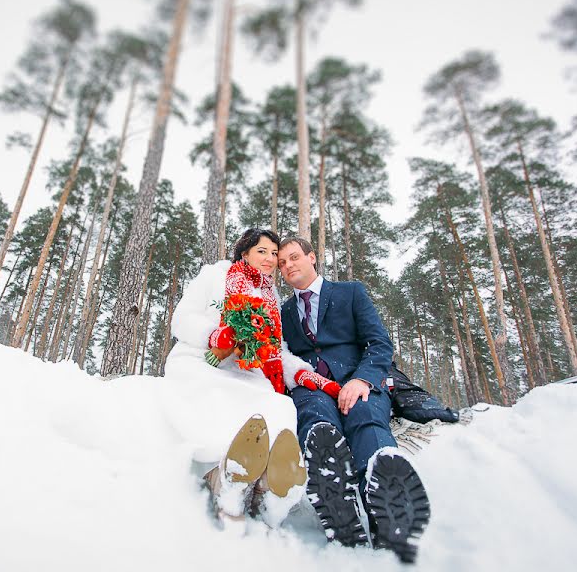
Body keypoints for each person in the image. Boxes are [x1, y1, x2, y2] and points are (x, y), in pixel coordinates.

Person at [163, 228, 339, 528]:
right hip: (203, 362)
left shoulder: (270, 296)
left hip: (249, 372)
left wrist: (302, 374)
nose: (271, 259)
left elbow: (275, 350)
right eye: (263, 251)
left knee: (278, 407)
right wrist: (214, 336)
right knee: (220, 400)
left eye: (274, 254)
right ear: (244, 252)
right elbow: (181, 319)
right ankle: (224, 478)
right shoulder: (214, 276)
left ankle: (269, 489)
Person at [277, 236, 431, 563]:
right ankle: (336, 496)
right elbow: (284, 355)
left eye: (293, 257)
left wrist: (362, 378)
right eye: (282, 263)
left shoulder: (350, 292)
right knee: (315, 418)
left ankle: (384, 501)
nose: (288, 265)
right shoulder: (284, 312)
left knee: (365, 416)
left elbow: (379, 343)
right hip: (313, 385)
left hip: (358, 379)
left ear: (312, 257)